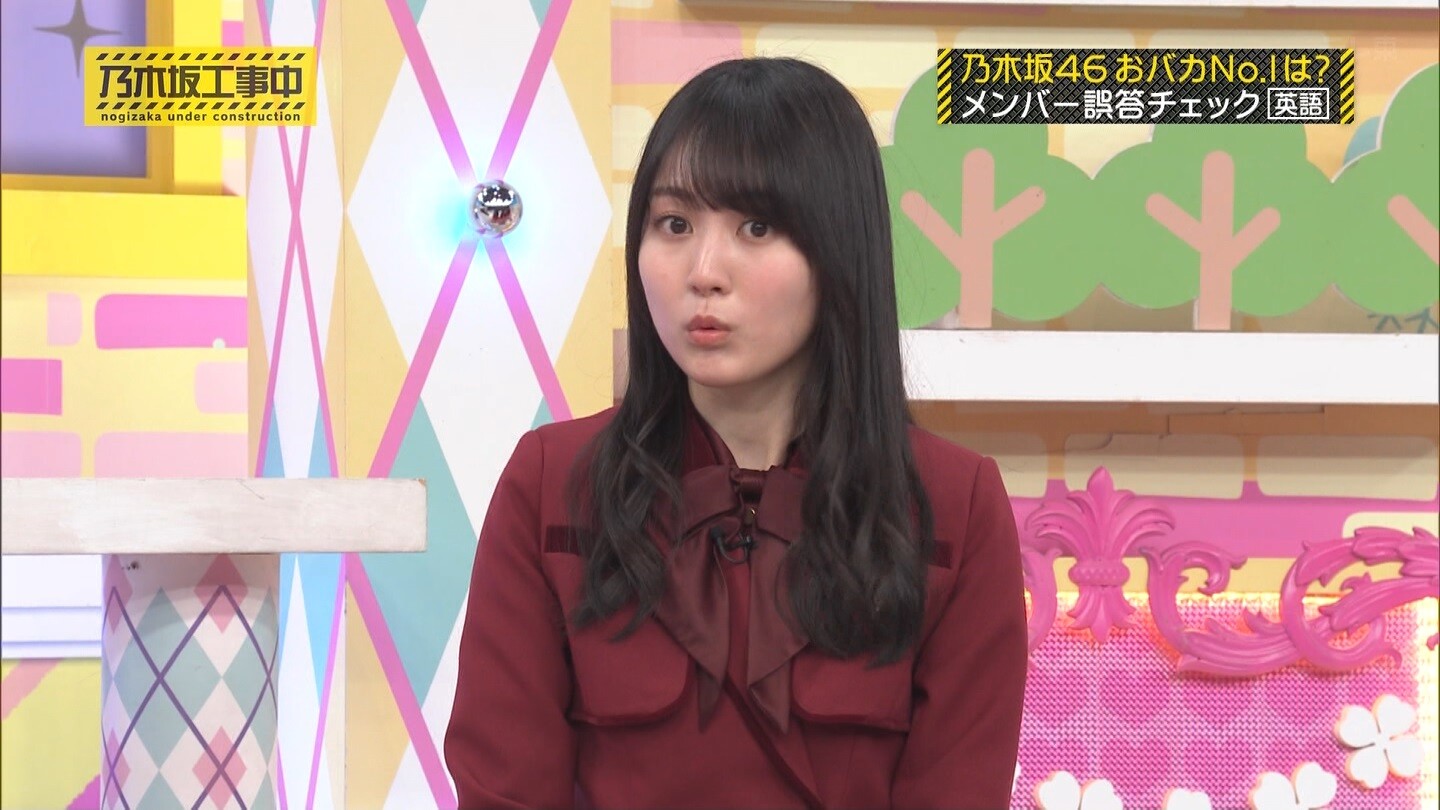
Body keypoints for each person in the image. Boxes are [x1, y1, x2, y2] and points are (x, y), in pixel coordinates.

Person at [445, 56, 1028, 810]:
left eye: (756, 226)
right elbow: (505, 788)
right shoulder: (553, 481)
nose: (704, 271)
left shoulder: (954, 503)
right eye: (674, 224)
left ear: (839, 250)